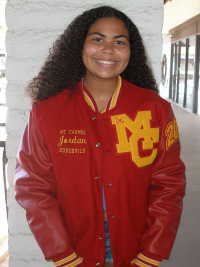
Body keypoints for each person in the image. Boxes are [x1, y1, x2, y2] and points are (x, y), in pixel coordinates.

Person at [14, 5, 186, 267]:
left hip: (137, 244)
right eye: (97, 39)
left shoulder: (156, 110)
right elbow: (32, 186)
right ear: (79, 46)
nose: (108, 49)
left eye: (119, 41)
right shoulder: (46, 111)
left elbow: (169, 186)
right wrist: (62, 252)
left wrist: (152, 251)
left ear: (131, 51)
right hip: (73, 245)